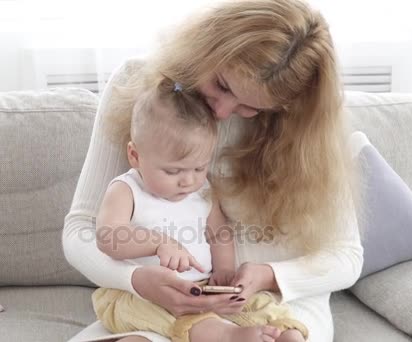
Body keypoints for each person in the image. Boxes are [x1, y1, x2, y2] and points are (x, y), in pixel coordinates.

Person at [63, 0, 363, 341]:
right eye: (222, 84)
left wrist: (267, 275)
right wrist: (136, 280)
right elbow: (81, 231)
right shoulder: (143, 92)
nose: (221, 112)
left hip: (276, 302)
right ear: (207, 47)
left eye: (252, 107)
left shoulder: (311, 134)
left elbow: (346, 258)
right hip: (155, 304)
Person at [91, 77, 308, 342]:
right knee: (191, 318)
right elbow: (107, 236)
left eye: (198, 167)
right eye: (173, 171)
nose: (188, 180)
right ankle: (228, 336)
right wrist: (158, 244)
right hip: (140, 295)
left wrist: (224, 270)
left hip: (201, 285)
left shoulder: (202, 189)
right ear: (135, 156)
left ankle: (283, 330)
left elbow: (218, 234)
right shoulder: (127, 189)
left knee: (254, 302)